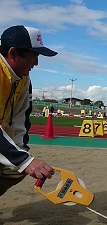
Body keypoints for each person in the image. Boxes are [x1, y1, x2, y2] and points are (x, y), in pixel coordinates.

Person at [0, 25, 57, 196]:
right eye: (34, 56)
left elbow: (18, 120)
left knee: (13, 170)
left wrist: (21, 156)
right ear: (13, 53)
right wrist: (24, 161)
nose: (37, 63)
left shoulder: (23, 80)